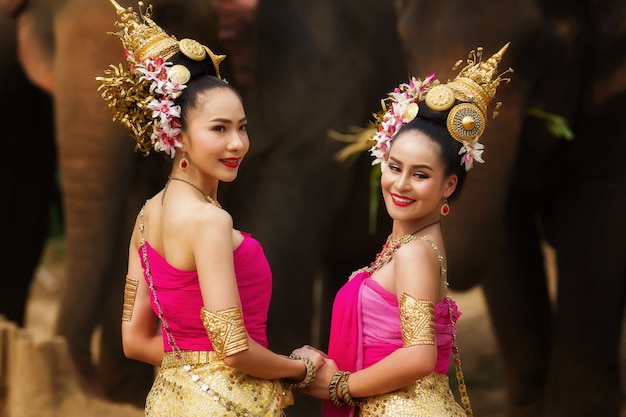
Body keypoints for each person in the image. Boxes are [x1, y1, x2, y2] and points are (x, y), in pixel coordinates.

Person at [97, 1, 325, 416]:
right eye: (219, 129)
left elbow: (133, 340)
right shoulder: (210, 221)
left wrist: (194, 364)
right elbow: (235, 350)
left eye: (242, 127)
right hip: (231, 404)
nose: (237, 143)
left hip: (170, 401)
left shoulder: (147, 216)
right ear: (178, 134)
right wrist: (302, 368)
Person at [294, 44, 512, 416]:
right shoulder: (409, 243)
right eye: (395, 167)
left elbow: (419, 356)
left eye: (421, 175)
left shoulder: (414, 252)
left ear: (449, 186)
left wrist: (338, 386)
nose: (401, 184)